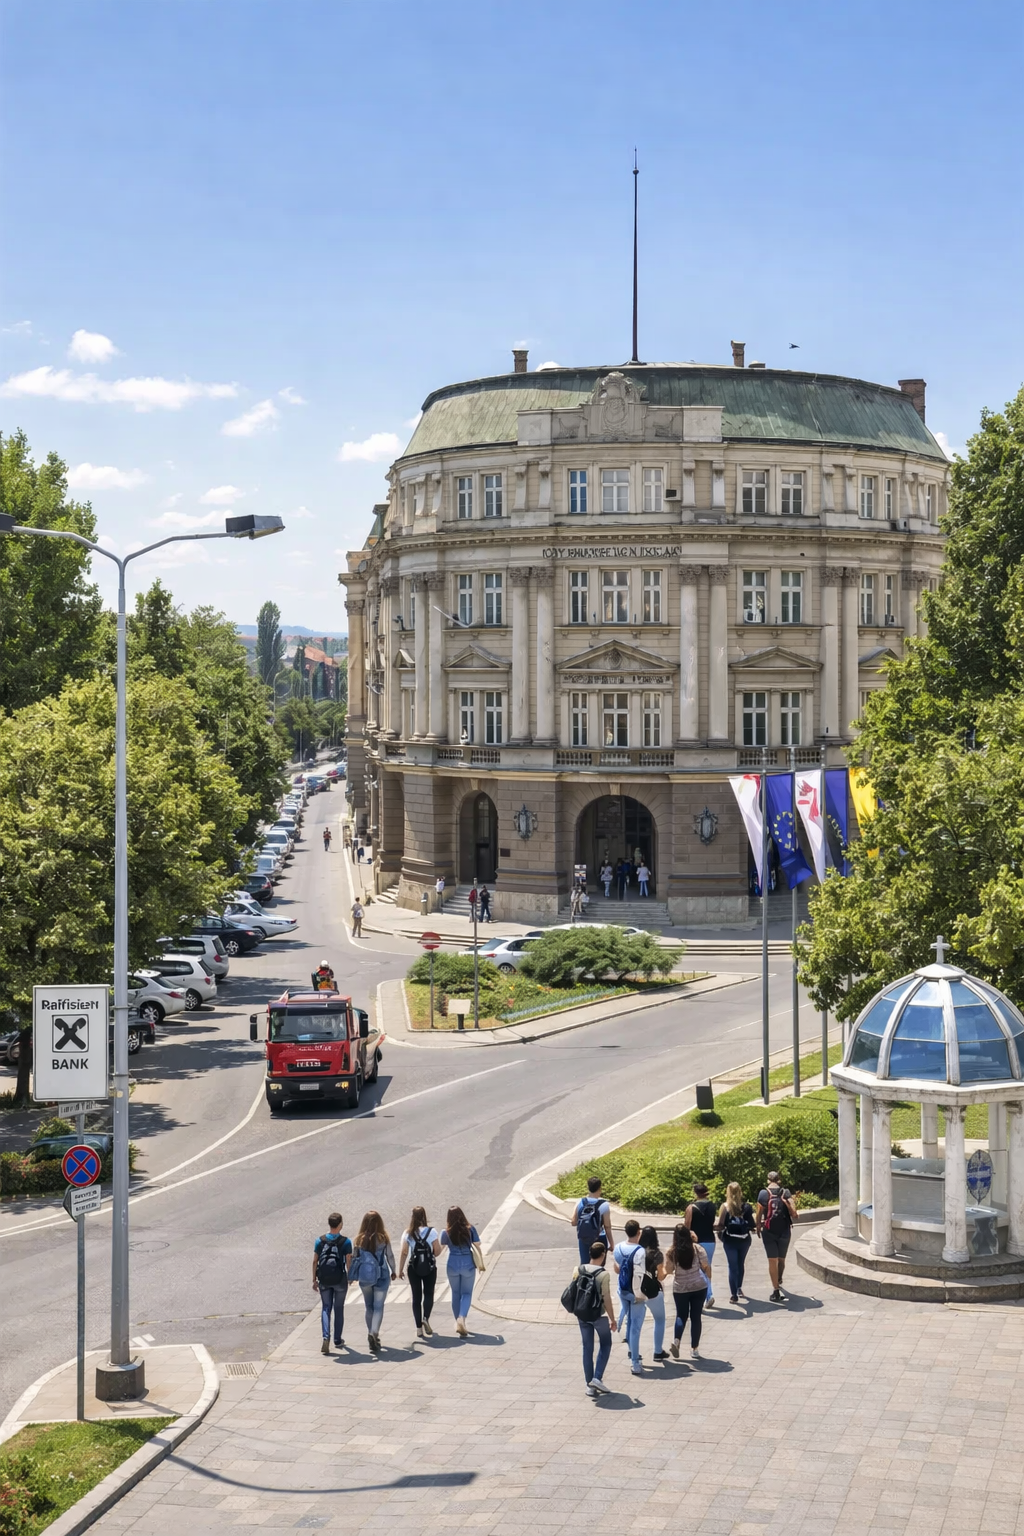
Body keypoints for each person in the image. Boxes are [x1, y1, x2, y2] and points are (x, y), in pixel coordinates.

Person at [567, 1240, 617, 1397]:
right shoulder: (603, 1275)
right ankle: (597, 1377)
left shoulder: (579, 1269)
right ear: (602, 1255)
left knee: (587, 1349)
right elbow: (606, 1298)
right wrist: (612, 1319)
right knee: (606, 1343)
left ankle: (589, 1385)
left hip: (582, 1314)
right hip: (598, 1315)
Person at [349, 1211, 396, 1353]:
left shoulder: (358, 1240)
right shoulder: (383, 1238)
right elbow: (390, 1255)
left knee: (369, 1307)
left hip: (365, 1277)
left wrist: (351, 1276)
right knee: (378, 1307)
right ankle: (373, 1332)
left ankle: (370, 1332)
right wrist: (394, 1270)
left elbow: (354, 1259)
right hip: (381, 1276)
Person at [664, 1222, 711, 1360]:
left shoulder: (671, 1252)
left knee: (681, 1315)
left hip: (680, 1288)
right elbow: (705, 1265)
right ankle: (694, 1349)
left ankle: (677, 1340)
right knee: (696, 1317)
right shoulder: (697, 1248)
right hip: (698, 1286)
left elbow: (668, 1270)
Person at [397, 1206, 441, 1338]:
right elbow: (437, 1252)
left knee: (416, 1297)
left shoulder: (408, 1233)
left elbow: (404, 1252)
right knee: (429, 1293)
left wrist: (400, 1270)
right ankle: (426, 1318)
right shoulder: (432, 1232)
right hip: (429, 1267)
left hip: (413, 1268)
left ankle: (418, 1329)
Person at [313, 1211, 352, 1355]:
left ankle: (325, 1337)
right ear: (340, 1224)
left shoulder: (320, 1241)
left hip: (324, 1279)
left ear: (329, 1224)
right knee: (339, 1308)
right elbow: (348, 1260)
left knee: (326, 1308)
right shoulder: (346, 1242)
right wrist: (350, 1276)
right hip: (340, 1279)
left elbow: (315, 1261)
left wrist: (314, 1280)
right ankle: (337, 1339)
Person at [756, 1171, 799, 1302]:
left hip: (769, 1231)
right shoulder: (785, 1193)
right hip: (785, 1231)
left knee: (772, 1261)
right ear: (779, 1180)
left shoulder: (763, 1193)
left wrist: (758, 1226)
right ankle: (779, 1279)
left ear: (768, 1180)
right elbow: (795, 1213)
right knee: (781, 1260)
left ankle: (775, 1290)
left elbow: (758, 1213)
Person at [612, 1218, 647, 1376]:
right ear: (638, 1233)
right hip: (636, 1293)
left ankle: (620, 1319)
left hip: (622, 1289)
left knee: (628, 1318)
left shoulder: (618, 1248)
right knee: (635, 1327)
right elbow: (641, 1274)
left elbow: (617, 1270)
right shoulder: (640, 1251)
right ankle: (635, 1361)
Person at [440, 1206, 481, 1336]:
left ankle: (457, 1320)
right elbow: (478, 1244)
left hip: (452, 1263)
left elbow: (441, 1248)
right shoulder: (470, 1229)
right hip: (467, 1263)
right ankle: (462, 1318)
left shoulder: (445, 1232)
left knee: (455, 1293)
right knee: (467, 1293)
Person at [717, 1182, 756, 1303]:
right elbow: (752, 1224)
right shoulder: (747, 1207)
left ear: (728, 1192)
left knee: (732, 1267)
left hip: (730, 1240)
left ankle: (733, 1295)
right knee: (741, 1264)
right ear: (740, 1192)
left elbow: (720, 1225)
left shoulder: (725, 1207)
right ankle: (739, 1288)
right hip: (744, 1240)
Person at [684, 1182, 719, 1307]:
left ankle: (707, 1295)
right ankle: (708, 1294)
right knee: (707, 1267)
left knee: (698, 1269)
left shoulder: (691, 1208)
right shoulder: (712, 1206)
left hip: (696, 1241)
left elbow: (686, 1226)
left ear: (695, 1193)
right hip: (710, 1240)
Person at [639, 1224, 667, 1362]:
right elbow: (661, 1276)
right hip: (652, 1291)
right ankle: (657, 1351)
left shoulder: (636, 1252)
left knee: (635, 1323)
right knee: (660, 1320)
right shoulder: (657, 1254)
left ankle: (633, 1352)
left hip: (637, 1290)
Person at [571, 1175, 615, 1265]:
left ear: (588, 1187)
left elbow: (573, 1222)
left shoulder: (580, 1202)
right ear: (600, 1188)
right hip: (599, 1238)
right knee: (599, 1266)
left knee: (585, 1264)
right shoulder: (604, 1205)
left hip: (583, 1238)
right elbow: (607, 1227)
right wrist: (611, 1244)